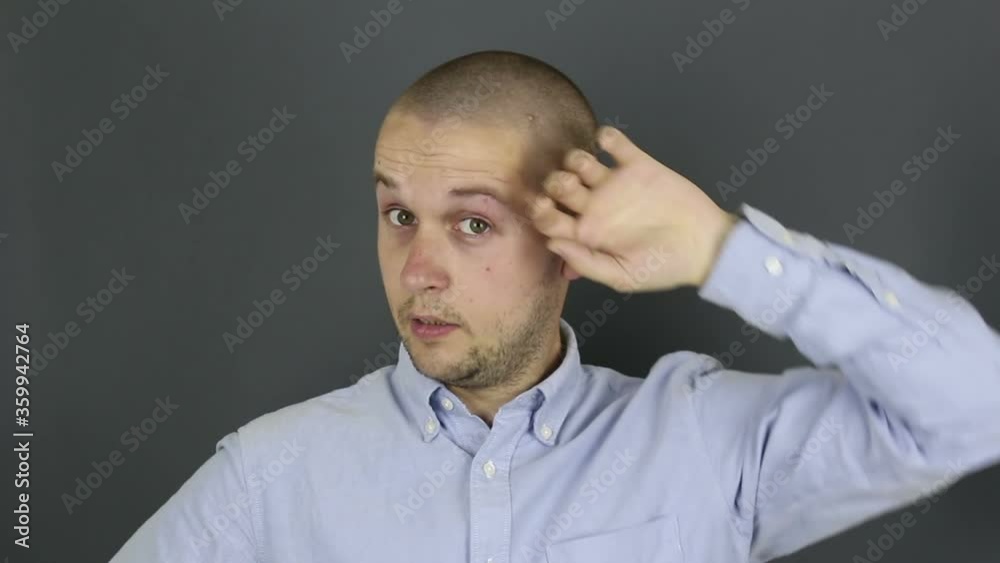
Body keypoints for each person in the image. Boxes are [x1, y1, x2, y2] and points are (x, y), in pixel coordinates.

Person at [109, 50, 1000, 563]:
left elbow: (975, 405)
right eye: (398, 215)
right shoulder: (272, 475)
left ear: (570, 236)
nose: (419, 269)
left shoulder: (703, 443)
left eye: (473, 222)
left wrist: (722, 250)